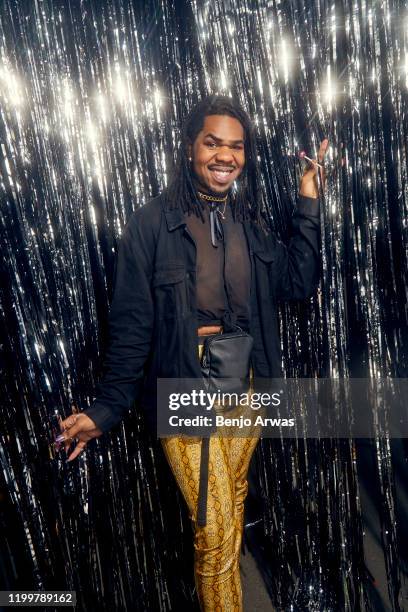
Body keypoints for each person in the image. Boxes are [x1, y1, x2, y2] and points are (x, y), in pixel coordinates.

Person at [57, 95, 328, 611]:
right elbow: (133, 323)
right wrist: (107, 408)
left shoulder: (250, 223)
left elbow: (298, 282)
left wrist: (308, 199)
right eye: (212, 142)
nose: (225, 155)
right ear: (190, 148)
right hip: (186, 392)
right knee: (217, 534)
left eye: (236, 146)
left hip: (246, 388)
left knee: (231, 516)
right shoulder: (152, 224)